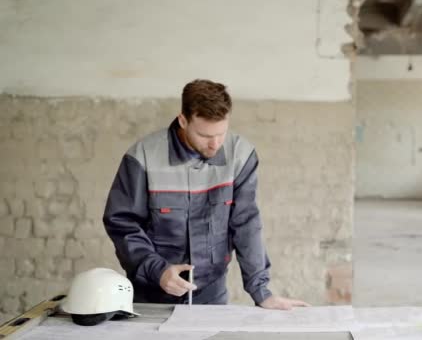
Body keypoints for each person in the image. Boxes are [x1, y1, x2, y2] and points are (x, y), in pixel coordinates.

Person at [103, 79, 309, 310]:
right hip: (151, 292)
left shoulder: (240, 156)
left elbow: (247, 224)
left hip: (211, 294)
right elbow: (122, 223)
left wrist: (261, 292)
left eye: (221, 133)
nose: (215, 144)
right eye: (204, 135)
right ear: (183, 120)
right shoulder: (142, 158)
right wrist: (157, 270)